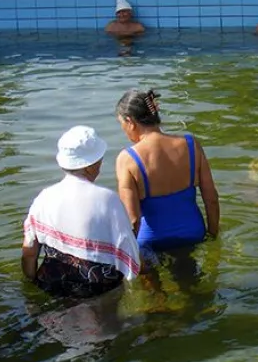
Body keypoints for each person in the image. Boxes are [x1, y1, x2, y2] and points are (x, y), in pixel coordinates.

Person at [22, 126, 142, 298]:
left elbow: (29, 253)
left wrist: (31, 286)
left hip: (51, 283)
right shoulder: (107, 200)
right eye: (99, 160)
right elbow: (128, 251)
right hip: (97, 287)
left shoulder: (44, 196)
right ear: (89, 168)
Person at [115, 89, 220, 252]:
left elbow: (133, 220)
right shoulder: (191, 145)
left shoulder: (128, 159)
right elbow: (211, 199)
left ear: (130, 122)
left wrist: (131, 257)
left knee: (152, 268)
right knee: (189, 266)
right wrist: (213, 236)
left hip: (151, 242)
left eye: (121, 124)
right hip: (193, 234)